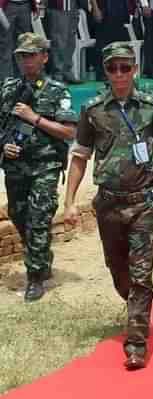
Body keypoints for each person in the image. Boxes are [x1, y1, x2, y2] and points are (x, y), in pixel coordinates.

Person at [63, 41, 153, 370]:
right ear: (105, 71)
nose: (119, 74)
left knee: (142, 276)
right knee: (119, 272)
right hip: (109, 204)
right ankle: (136, 309)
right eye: (112, 68)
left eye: (125, 67)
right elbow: (80, 157)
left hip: (144, 202)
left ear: (135, 68)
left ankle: (136, 341)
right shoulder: (92, 109)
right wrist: (69, 201)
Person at [1, 32, 77, 302]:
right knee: (19, 216)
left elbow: (68, 132)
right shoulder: (8, 88)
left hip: (45, 165)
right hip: (15, 166)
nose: (26, 61)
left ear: (44, 57)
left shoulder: (57, 91)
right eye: (22, 56)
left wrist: (35, 118)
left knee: (38, 219)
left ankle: (34, 277)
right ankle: (42, 257)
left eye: (31, 55)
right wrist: (3, 146)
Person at [44, 0, 85, 84]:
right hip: (59, 5)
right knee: (59, 40)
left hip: (73, 4)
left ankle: (67, 71)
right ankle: (57, 74)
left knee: (71, 40)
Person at [0, 0, 36, 81]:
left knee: (25, 45)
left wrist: (34, 8)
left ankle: (23, 80)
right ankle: (5, 82)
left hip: (26, 5)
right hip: (7, 6)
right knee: (5, 46)